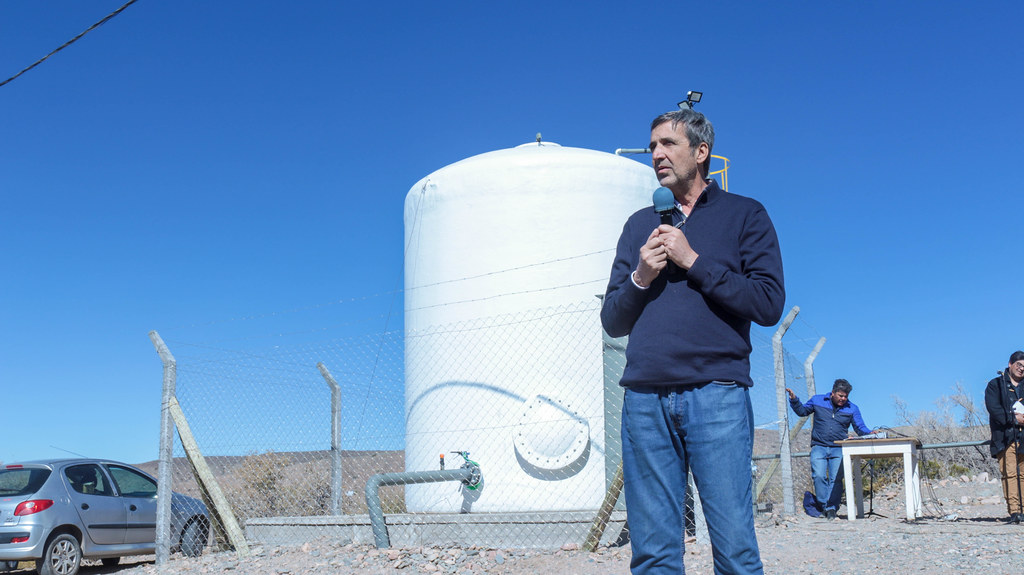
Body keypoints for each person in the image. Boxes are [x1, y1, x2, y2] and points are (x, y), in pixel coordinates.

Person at [601, 108, 785, 575]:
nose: (656, 154)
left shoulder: (745, 214)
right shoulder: (637, 224)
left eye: (668, 144)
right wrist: (642, 275)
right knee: (654, 553)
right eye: (652, 146)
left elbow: (767, 304)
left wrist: (694, 261)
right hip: (644, 399)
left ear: (702, 152)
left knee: (735, 549)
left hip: (716, 393)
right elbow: (612, 320)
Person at [785, 379, 876, 519]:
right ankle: (824, 506)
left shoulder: (852, 408)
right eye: (840, 396)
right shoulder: (817, 400)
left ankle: (832, 508)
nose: (843, 399)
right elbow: (802, 411)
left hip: (839, 447)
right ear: (833, 393)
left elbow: (859, 427)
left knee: (836, 478)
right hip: (819, 446)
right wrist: (794, 400)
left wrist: (870, 433)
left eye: (846, 396)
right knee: (819, 476)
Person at [984, 351, 1024, 523]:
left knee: (1023, 474)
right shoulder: (996, 385)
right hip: (1006, 438)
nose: (1022, 369)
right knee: (1010, 474)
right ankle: (1015, 511)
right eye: (1019, 365)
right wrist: (1014, 418)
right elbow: (994, 410)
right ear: (1010, 364)